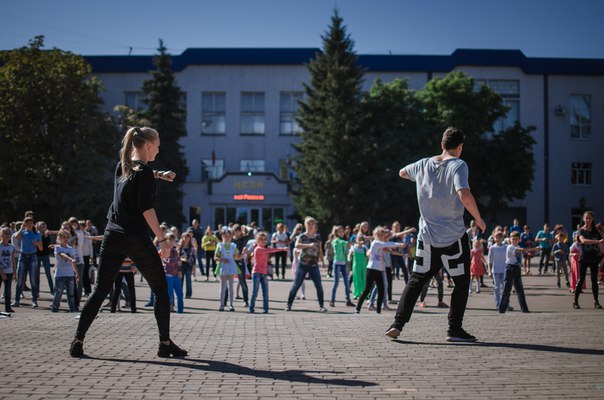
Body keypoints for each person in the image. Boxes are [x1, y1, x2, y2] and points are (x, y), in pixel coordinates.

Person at [70, 126, 187, 358]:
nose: (159, 149)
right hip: (135, 237)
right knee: (161, 290)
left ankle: (77, 341)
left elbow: (139, 174)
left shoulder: (121, 167)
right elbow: (146, 208)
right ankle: (164, 344)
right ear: (149, 145)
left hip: (112, 235)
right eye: (158, 145)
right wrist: (163, 240)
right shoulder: (142, 173)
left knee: (100, 289)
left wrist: (158, 174)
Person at [386, 127, 485, 342]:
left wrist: (422, 180)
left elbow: (402, 172)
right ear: (460, 147)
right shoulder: (458, 164)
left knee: (416, 279)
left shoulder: (422, 164)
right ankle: (454, 329)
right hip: (453, 238)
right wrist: (478, 219)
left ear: (442, 144)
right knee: (460, 282)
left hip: (427, 238)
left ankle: (397, 324)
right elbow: (464, 193)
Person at [355, 227, 403, 314]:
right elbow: (387, 244)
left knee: (382, 290)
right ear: (376, 235)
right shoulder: (375, 242)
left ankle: (378, 311)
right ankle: (357, 310)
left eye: (382, 235)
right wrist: (399, 244)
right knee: (366, 290)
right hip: (371, 269)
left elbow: (387, 245)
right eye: (380, 235)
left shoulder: (381, 244)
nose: (381, 236)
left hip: (379, 270)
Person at [286, 216, 326, 312]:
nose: (311, 225)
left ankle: (321, 306)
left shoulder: (317, 237)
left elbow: (320, 250)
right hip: (302, 264)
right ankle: (289, 305)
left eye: (313, 223)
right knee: (296, 285)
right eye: (309, 223)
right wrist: (308, 245)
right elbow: (297, 245)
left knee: (319, 285)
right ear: (305, 225)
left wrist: (323, 262)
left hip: (314, 265)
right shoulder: (302, 236)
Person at [498, 232, 537, 313]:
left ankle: (524, 309)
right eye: (513, 239)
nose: (514, 241)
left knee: (520, 290)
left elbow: (523, 252)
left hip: (516, 268)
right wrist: (534, 249)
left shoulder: (517, 246)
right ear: (510, 239)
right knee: (507, 290)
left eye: (516, 239)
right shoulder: (510, 247)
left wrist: (528, 253)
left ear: (519, 240)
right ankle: (502, 309)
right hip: (509, 268)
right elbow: (522, 250)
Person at [249, 232, 286, 313]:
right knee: (255, 292)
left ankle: (266, 309)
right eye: (261, 239)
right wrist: (282, 249)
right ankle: (251, 308)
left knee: (265, 293)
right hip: (256, 273)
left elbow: (268, 251)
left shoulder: (264, 248)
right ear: (257, 240)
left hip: (264, 273)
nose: (263, 241)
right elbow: (270, 250)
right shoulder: (258, 249)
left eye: (264, 239)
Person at [573, 211, 603, 309]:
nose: (588, 220)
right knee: (581, 279)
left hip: (594, 258)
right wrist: (597, 241)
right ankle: (575, 301)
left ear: (593, 219)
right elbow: (583, 241)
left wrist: (601, 251)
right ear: (583, 219)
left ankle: (596, 301)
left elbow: (601, 244)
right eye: (586, 218)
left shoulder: (596, 231)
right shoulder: (581, 231)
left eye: (590, 218)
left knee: (594, 280)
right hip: (584, 258)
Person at [13, 217, 42, 308]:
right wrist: (22, 228)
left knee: (33, 280)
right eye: (27, 223)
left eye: (30, 222)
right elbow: (16, 236)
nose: (29, 224)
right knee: (20, 279)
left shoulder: (36, 234)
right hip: (23, 256)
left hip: (33, 256)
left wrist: (37, 243)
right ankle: (17, 300)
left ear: (33, 224)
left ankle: (34, 300)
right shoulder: (23, 232)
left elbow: (41, 248)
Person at [215, 229, 243, 311]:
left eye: (229, 236)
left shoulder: (233, 246)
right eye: (225, 236)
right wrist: (222, 260)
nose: (227, 238)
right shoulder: (219, 245)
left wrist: (243, 253)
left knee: (231, 286)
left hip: (231, 266)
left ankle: (231, 304)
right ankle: (221, 305)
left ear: (231, 237)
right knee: (223, 286)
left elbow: (237, 257)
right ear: (222, 236)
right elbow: (215, 257)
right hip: (223, 266)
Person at [51, 229, 79, 313]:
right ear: (59, 238)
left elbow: (73, 262)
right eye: (64, 237)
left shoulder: (71, 248)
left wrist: (77, 273)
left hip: (70, 274)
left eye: (67, 237)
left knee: (71, 295)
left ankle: (72, 310)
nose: (66, 239)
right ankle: (54, 310)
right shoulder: (57, 247)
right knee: (58, 294)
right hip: (60, 274)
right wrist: (70, 259)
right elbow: (62, 255)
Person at [330, 226, 354, 307]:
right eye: (339, 232)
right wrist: (350, 243)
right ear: (336, 233)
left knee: (347, 283)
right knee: (336, 283)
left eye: (342, 231)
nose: (341, 233)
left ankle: (348, 300)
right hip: (337, 264)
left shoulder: (344, 241)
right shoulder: (335, 241)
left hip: (344, 264)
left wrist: (348, 264)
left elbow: (346, 253)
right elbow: (341, 243)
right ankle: (332, 300)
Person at [488, 231, 509, 310]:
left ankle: (506, 304)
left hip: (504, 270)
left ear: (502, 238)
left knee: (505, 288)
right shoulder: (492, 248)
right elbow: (490, 261)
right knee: (496, 288)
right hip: (496, 270)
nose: (497, 239)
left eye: (499, 237)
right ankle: (498, 304)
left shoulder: (506, 247)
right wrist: (489, 271)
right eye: (496, 237)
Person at [0, 227, 17, 313]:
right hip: (1, 271)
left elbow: (13, 260)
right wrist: (2, 272)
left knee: (8, 291)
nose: (7, 236)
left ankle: (8, 307)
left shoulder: (12, 247)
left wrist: (14, 272)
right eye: (5, 234)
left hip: (9, 271)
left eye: (8, 234)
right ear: (1, 235)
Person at [349, 235, 368, 300]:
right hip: (356, 266)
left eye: (362, 239)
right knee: (356, 280)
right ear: (356, 240)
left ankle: (365, 294)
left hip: (364, 266)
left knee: (364, 280)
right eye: (359, 239)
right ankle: (356, 294)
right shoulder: (354, 248)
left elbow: (368, 256)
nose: (361, 241)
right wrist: (349, 258)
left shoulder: (365, 248)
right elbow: (350, 255)